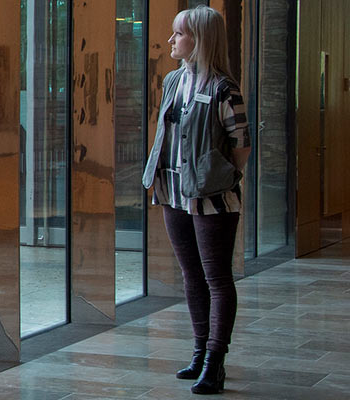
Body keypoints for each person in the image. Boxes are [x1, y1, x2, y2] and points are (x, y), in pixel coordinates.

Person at [140, 5, 249, 395]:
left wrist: (215, 176)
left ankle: (215, 362)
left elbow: (241, 147)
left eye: (178, 34)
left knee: (217, 277)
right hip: (172, 191)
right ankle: (200, 351)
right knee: (191, 275)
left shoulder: (223, 89)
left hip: (212, 197)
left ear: (199, 40)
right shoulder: (172, 80)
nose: (171, 40)